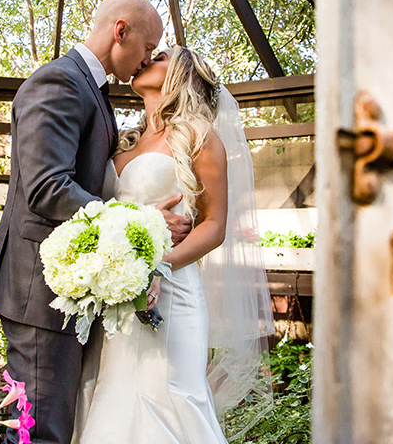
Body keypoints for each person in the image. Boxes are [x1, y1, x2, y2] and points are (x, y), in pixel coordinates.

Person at [0, 0, 192, 444]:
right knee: (41, 432)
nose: (147, 59)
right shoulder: (59, 83)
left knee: (55, 426)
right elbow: (46, 188)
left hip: (67, 290)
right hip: (37, 291)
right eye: (147, 46)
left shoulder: (91, 89)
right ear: (121, 31)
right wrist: (136, 220)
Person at [72, 47, 275, 444]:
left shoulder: (200, 137)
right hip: (112, 300)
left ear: (182, 73)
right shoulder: (123, 141)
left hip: (170, 295)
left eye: (160, 56)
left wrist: (158, 266)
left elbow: (214, 225)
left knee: (167, 402)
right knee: (109, 400)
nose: (145, 58)